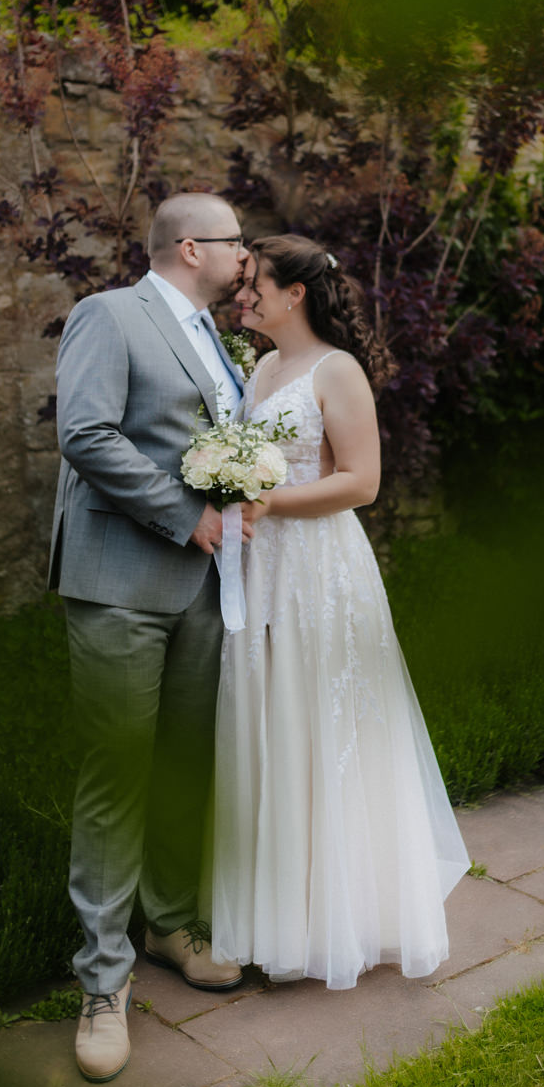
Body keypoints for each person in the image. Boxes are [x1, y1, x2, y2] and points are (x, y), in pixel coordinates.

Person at [210, 235, 469, 989]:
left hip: (319, 566)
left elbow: (362, 483)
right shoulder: (261, 366)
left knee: (325, 723)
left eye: (254, 284)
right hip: (261, 567)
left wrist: (266, 498)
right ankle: (274, 911)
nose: (243, 294)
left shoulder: (337, 370)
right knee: (272, 716)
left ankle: (344, 913)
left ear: (295, 295)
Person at [49, 192, 252, 1084]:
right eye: (237, 242)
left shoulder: (215, 337)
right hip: (120, 583)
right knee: (117, 770)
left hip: (204, 590)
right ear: (193, 246)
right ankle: (101, 983)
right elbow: (84, 432)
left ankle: (169, 925)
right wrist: (185, 513)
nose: (247, 256)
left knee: (181, 761)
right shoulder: (109, 314)